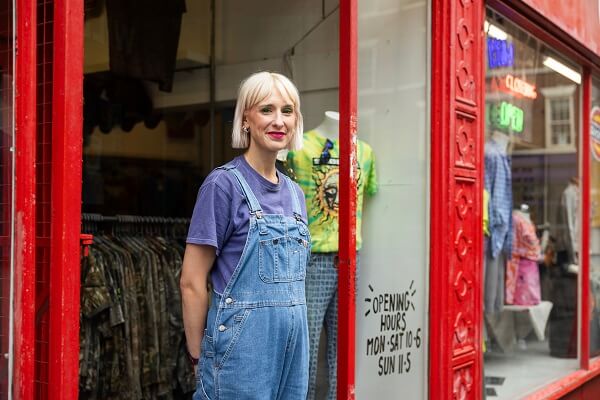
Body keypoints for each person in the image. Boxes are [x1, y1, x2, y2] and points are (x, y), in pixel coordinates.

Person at [180, 71, 311, 400]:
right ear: (245, 120)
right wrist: (199, 356)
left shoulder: (296, 195)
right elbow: (192, 281)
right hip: (241, 355)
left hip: (293, 355)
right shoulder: (223, 185)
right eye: (266, 110)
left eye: (287, 110)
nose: (278, 120)